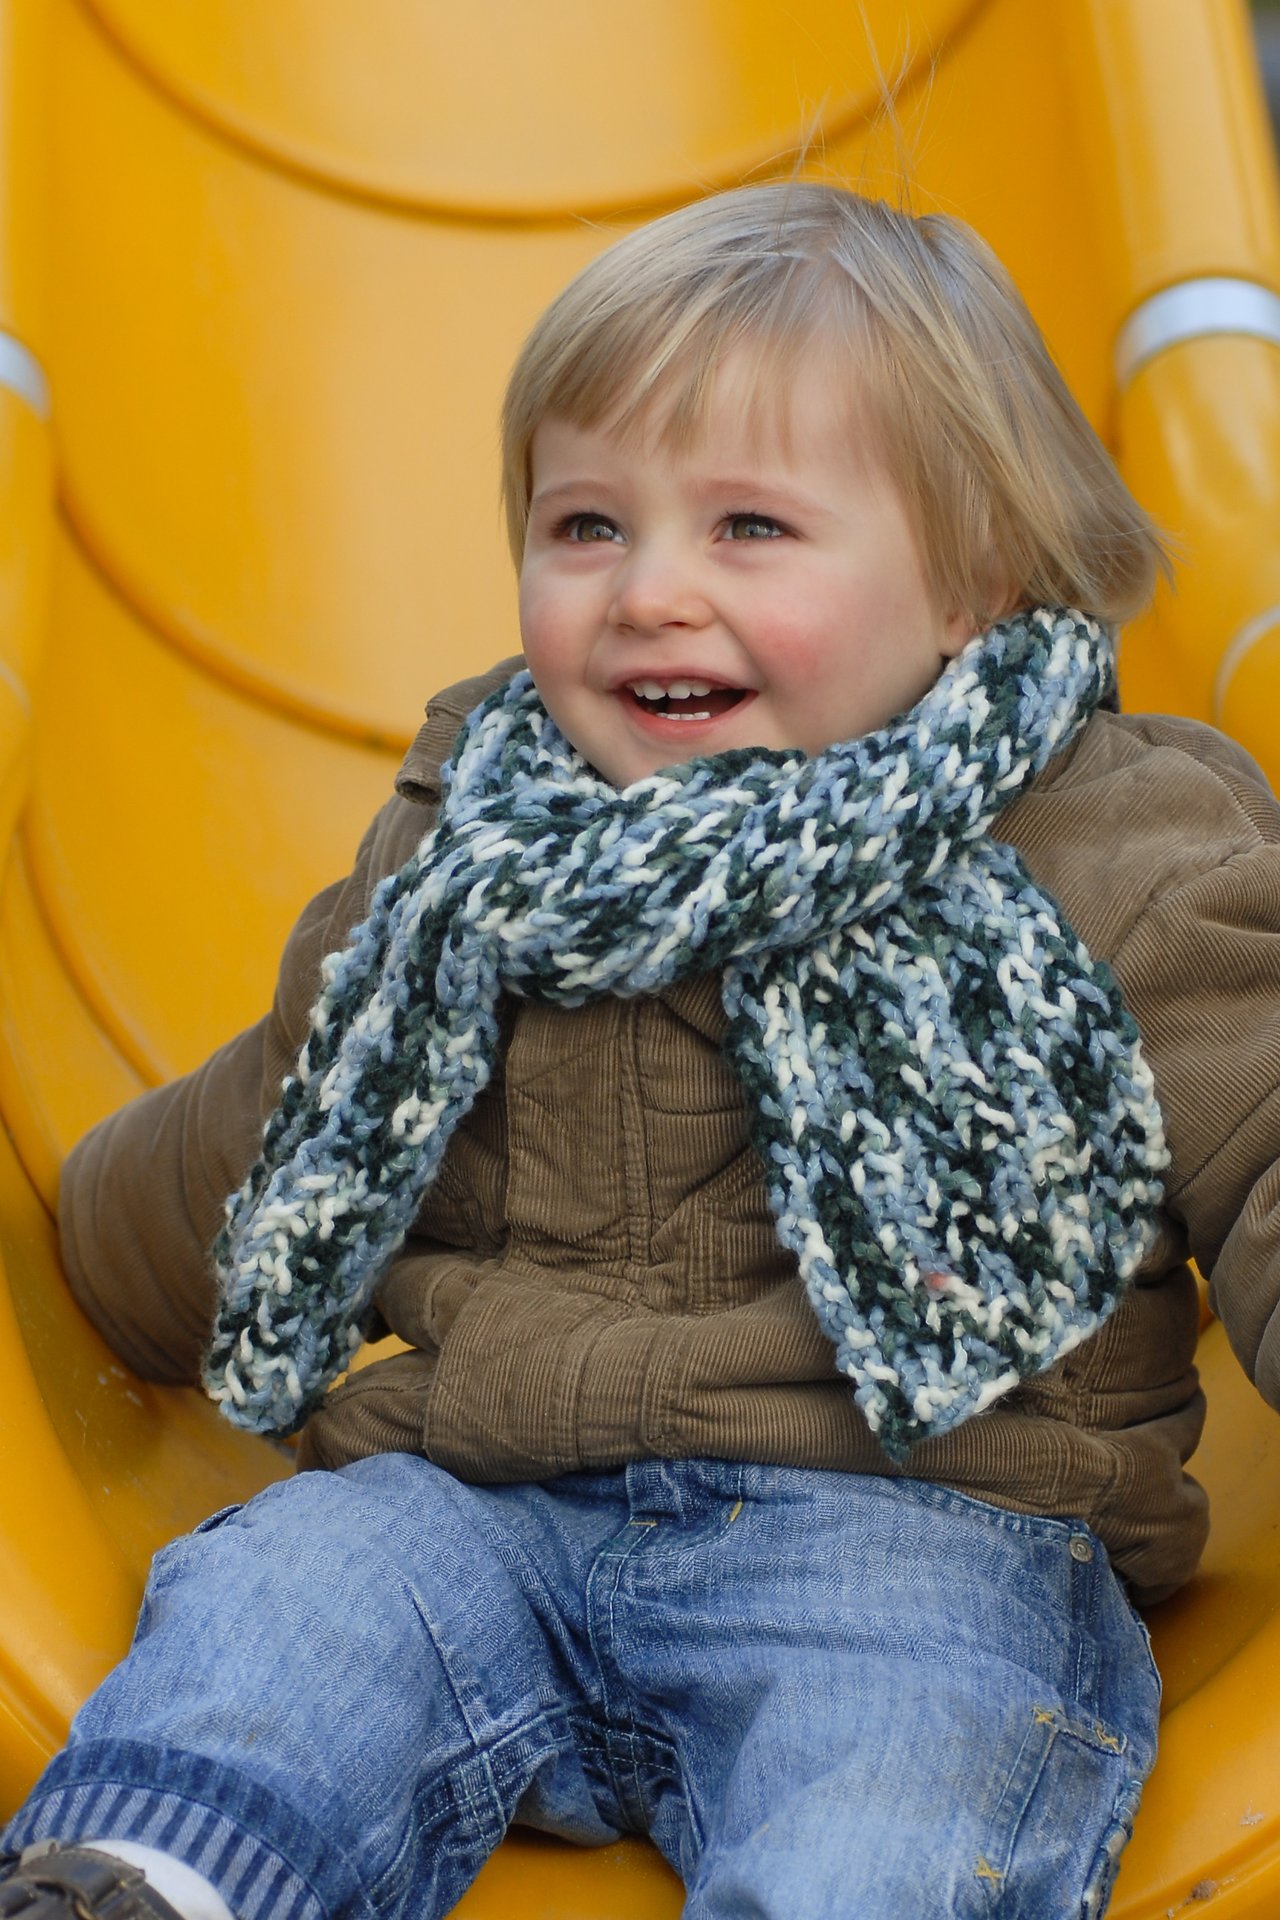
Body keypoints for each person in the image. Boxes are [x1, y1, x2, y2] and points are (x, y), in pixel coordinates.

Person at [4, 181, 1280, 1920]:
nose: (650, 592)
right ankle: (166, 1877)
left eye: (749, 526)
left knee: (902, 1781)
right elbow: (260, 1168)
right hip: (484, 1501)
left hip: (922, 1543)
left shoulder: (1124, 853)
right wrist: (138, 1204)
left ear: (977, 572)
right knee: (292, 1601)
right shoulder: (476, 863)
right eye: (586, 523)